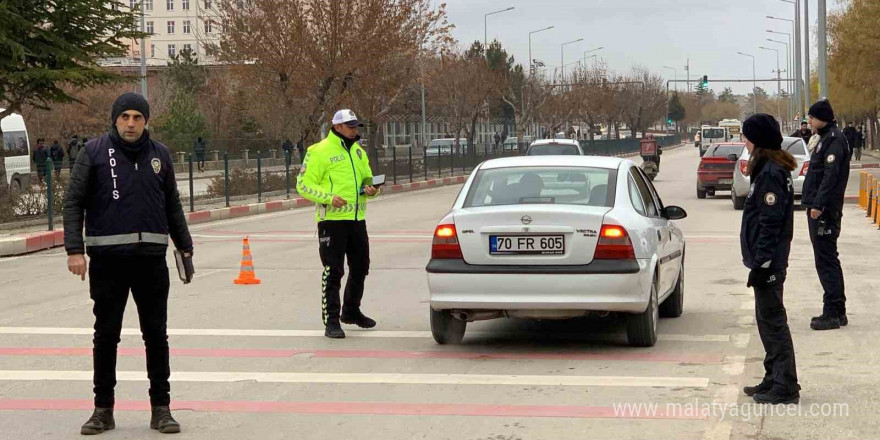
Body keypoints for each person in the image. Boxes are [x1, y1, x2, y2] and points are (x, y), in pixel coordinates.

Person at [64, 92, 193, 435]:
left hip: (151, 261)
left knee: (156, 335)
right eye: (125, 117)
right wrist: (74, 250)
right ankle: (102, 410)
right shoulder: (93, 153)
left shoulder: (160, 155)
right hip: (108, 262)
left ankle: (161, 409)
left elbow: (173, 205)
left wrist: (185, 246)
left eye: (137, 117)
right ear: (115, 120)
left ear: (146, 120)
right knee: (106, 336)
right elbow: (73, 202)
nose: (131, 123)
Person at [296, 109, 380, 339]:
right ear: (337, 127)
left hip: (356, 219)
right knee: (333, 271)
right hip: (332, 221)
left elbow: (367, 181)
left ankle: (351, 311)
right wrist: (328, 197)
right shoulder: (319, 151)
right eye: (350, 126)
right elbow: (303, 185)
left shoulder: (359, 152)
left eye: (356, 126)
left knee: (361, 267)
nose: (354, 130)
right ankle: (331, 321)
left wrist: (371, 190)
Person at [739, 113, 800, 405]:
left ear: (758, 139)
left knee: (773, 322)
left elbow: (770, 223)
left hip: (770, 262)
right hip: (767, 260)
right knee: (766, 320)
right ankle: (772, 376)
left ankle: (785, 385)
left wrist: (762, 264)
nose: (744, 141)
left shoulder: (770, 173)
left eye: (747, 136)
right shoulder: (767, 168)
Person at [801, 99, 850, 331]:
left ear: (822, 118)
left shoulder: (833, 141)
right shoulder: (824, 139)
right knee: (827, 258)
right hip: (821, 208)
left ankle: (832, 312)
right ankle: (838, 310)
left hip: (826, 211)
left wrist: (818, 204)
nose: (808, 121)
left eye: (811, 117)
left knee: (826, 260)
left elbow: (830, 177)